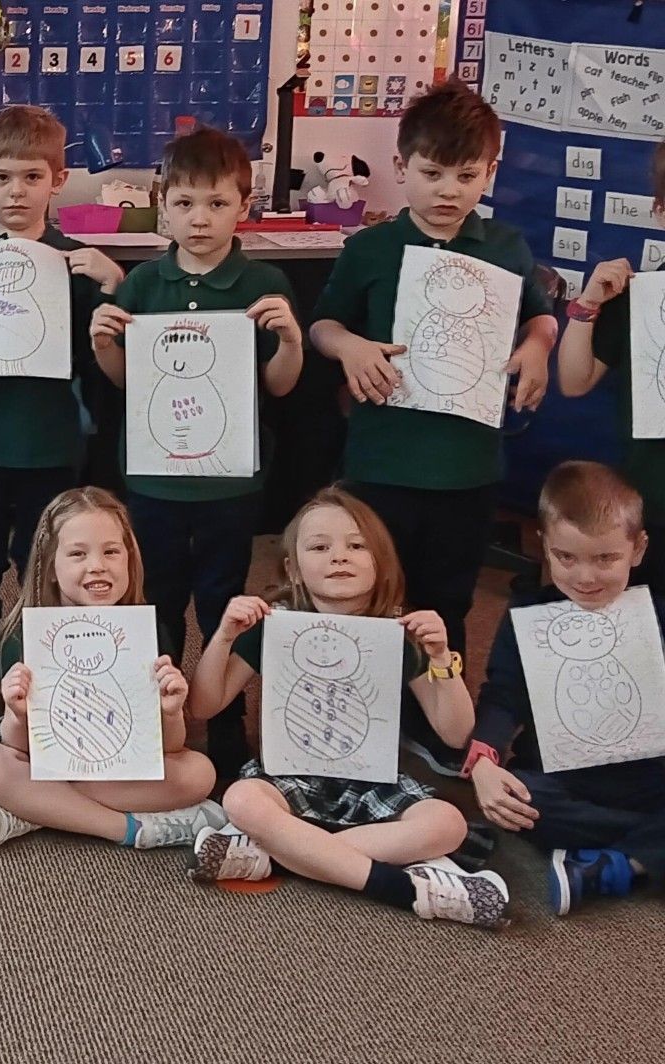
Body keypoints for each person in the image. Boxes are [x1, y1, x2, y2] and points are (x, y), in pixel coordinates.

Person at [310, 82, 558, 774]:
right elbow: (324, 323)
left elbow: (540, 313)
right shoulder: (372, 249)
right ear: (400, 166)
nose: (449, 190)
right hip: (383, 461)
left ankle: (432, 726)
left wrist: (538, 345)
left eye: (467, 175)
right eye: (431, 173)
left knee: (446, 600)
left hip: (467, 464)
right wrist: (349, 348)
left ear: (491, 171)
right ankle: (356, 725)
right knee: (368, 595)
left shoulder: (505, 246)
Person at [189, 487, 510, 928]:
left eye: (357, 546)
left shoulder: (399, 630)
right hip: (286, 777)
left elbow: (455, 733)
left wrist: (441, 661)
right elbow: (206, 705)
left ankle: (283, 854)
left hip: (371, 779)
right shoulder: (274, 625)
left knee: (447, 823)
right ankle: (402, 888)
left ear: (382, 562)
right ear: (292, 567)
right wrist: (223, 637)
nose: (339, 557)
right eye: (320, 547)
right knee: (243, 798)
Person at [89, 126, 305, 775]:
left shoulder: (262, 281)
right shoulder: (142, 285)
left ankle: (227, 719)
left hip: (229, 482)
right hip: (154, 478)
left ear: (244, 203)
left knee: (221, 597)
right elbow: (129, 383)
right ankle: (159, 715)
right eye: (184, 203)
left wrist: (290, 340)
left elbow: (278, 384)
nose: (200, 218)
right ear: (163, 205)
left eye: (215, 203)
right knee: (152, 597)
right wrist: (104, 343)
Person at [0, 105, 124, 720]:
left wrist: (116, 286)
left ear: (58, 180)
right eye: (2, 177)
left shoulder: (80, 267)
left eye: (33, 177)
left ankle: (56, 673)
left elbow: (111, 368)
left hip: (53, 444)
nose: (17, 192)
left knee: (48, 563)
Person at [0, 487, 224, 849]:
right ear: (50, 568)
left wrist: (172, 712)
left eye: (111, 552)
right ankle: (128, 829)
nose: (97, 565)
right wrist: (18, 714)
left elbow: (167, 747)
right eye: (78, 554)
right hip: (39, 757)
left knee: (198, 773)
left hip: (116, 762)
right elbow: (18, 746)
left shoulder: (146, 633)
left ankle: (33, 809)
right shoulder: (25, 636)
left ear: (129, 561)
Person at [467, 461, 665, 914]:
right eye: (567, 558)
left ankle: (617, 865)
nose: (586, 577)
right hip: (558, 787)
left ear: (638, 549)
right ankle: (641, 851)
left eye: (606, 558)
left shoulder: (657, 616)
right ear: (544, 548)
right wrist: (482, 763)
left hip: (649, 780)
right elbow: (502, 696)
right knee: (516, 799)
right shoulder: (528, 616)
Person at [551, 139, 665, 593]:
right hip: (653, 500)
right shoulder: (643, 298)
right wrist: (589, 303)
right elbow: (574, 381)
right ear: (661, 210)